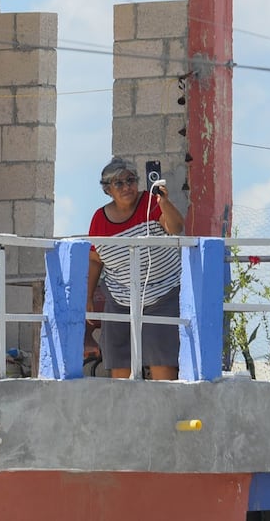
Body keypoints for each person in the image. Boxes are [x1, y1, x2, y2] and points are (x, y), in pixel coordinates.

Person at [86, 157, 185, 380]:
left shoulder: (151, 203)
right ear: (108, 190)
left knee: (162, 362)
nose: (126, 187)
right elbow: (95, 259)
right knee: (120, 365)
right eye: (118, 183)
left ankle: (165, 411)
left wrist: (163, 202)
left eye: (130, 180)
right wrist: (88, 295)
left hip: (162, 296)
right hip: (120, 300)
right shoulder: (99, 220)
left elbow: (177, 228)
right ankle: (124, 414)